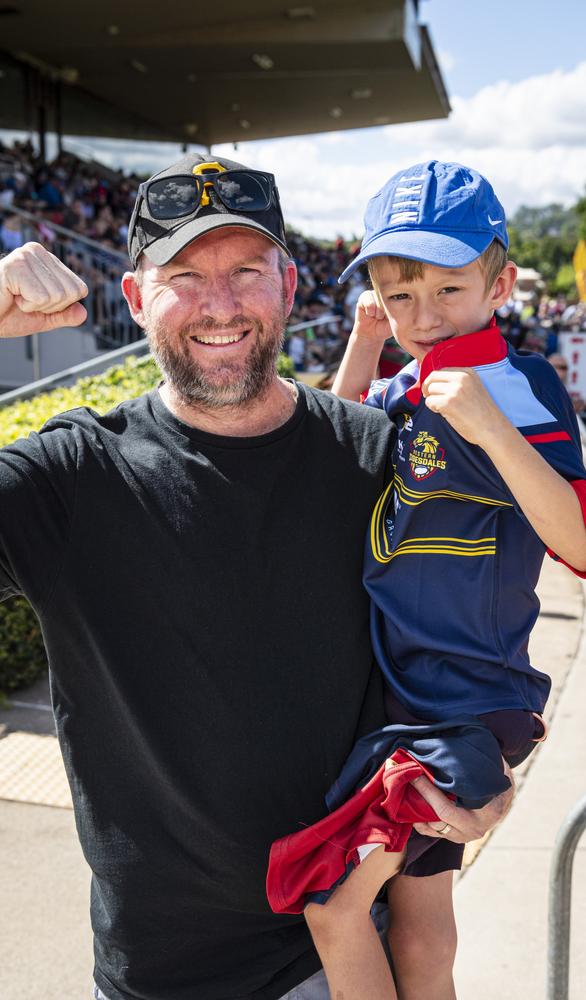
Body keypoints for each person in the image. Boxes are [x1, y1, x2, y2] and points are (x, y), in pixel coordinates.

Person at [0, 153, 511, 1000]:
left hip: (341, 960)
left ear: (287, 283)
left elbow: (473, 626)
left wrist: (482, 761)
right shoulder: (74, 476)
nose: (220, 304)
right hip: (157, 977)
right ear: (135, 298)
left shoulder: (379, 453)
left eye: (246, 270)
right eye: (183, 275)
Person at [277, 161, 586, 1000]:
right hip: (397, 694)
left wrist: (491, 429)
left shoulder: (522, 390)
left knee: (335, 910)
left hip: (458, 704)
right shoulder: (400, 380)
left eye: (448, 290)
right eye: (397, 293)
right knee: (418, 923)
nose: (423, 315)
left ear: (502, 284)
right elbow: (328, 459)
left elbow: (579, 542)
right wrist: (363, 346)